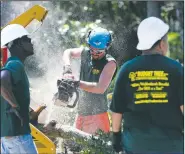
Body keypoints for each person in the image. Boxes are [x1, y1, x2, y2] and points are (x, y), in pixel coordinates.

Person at [110, 17, 184, 154]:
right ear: (162, 44)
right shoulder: (177, 69)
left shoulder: (127, 69)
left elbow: (117, 110)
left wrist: (116, 138)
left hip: (135, 146)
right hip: (171, 146)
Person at [62, 27, 117, 134]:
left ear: (106, 48)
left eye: (99, 51)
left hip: (97, 115)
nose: (94, 53)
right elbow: (68, 52)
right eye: (92, 49)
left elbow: (100, 88)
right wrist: (67, 68)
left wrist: (76, 83)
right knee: (76, 148)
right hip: (81, 113)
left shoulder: (110, 63)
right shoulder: (86, 53)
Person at [1, 24, 38, 154]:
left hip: (10, 137)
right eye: (27, 39)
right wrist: (15, 106)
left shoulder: (12, 64)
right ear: (18, 44)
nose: (31, 42)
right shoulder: (14, 63)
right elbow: (2, 81)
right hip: (18, 137)